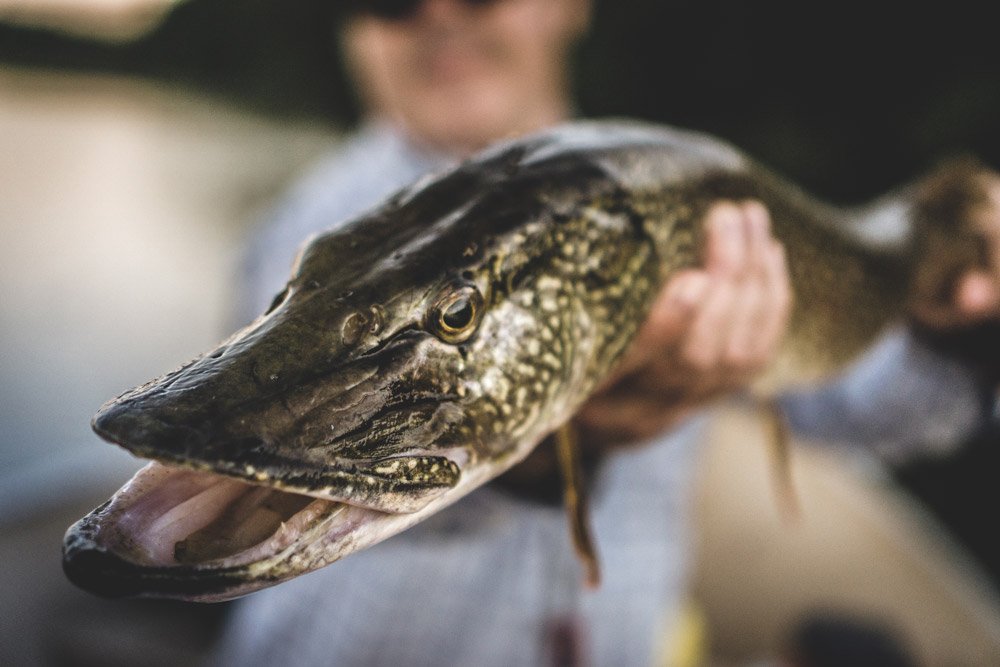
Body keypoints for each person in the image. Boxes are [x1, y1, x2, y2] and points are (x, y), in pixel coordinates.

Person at [217, 1, 1000, 665]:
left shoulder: (683, 196)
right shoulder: (311, 234)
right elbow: (298, 461)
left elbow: (849, 405)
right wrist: (552, 445)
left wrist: (952, 333)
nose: (439, 17)